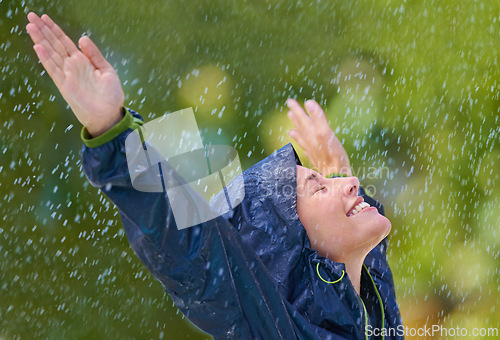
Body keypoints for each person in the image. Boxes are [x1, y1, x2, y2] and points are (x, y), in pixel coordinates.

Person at [26, 12, 403, 339]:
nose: (353, 183)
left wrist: (336, 175)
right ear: (287, 251)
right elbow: (193, 249)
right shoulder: (270, 329)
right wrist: (111, 129)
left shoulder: (367, 316)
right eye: (319, 187)